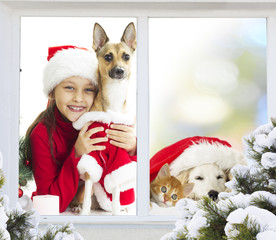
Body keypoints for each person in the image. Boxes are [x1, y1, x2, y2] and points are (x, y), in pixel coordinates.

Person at [25, 45, 137, 213]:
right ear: (52, 92)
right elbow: (49, 203)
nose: (78, 98)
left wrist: (133, 148)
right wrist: (76, 153)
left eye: (88, 90)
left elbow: (127, 179)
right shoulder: (42, 134)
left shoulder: (102, 122)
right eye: (69, 87)